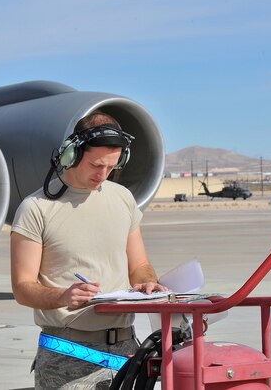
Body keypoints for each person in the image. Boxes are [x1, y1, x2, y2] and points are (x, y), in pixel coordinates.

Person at [10, 111, 168, 389]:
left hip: (125, 352)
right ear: (71, 154)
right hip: (66, 354)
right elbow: (23, 288)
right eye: (96, 165)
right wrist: (63, 296)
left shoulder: (123, 199)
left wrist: (147, 281)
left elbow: (139, 265)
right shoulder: (36, 208)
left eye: (111, 167)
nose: (103, 174)